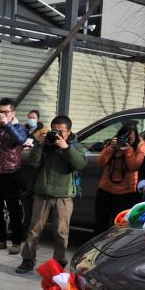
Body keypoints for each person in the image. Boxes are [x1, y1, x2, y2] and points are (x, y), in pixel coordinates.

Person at [16, 115, 88, 274]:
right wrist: (40, 145)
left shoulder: (76, 146)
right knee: (34, 230)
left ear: (68, 132)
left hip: (63, 196)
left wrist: (66, 148)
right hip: (43, 193)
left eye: (60, 131)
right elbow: (32, 163)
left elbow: (80, 164)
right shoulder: (46, 145)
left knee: (61, 233)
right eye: (54, 130)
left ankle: (58, 263)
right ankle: (27, 259)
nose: (56, 134)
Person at [0, 98, 28, 253]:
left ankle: (16, 242)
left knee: (13, 208)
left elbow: (20, 140)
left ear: (13, 113)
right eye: (0, 111)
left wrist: (8, 125)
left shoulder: (20, 127)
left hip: (11, 173)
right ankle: (0, 240)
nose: (2, 114)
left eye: (5, 111)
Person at [94, 123, 145, 234]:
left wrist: (128, 150)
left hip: (126, 191)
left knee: (120, 224)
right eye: (124, 137)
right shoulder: (112, 144)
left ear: (136, 137)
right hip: (106, 188)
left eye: (130, 138)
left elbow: (134, 167)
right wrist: (111, 148)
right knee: (100, 222)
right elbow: (99, 162)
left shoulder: (140, 146)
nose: (127, 140)